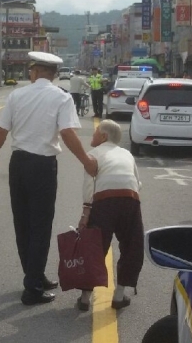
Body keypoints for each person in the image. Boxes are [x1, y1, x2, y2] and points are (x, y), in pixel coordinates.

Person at [0, 51, 98, 306]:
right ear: (54, 74)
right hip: (42, 166)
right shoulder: (61, 97)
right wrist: (86, 161)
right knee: (40, 226)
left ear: (35, 71)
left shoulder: (18, 94)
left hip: (18, 164)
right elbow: (67, 133)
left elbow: (2, 130)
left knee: (23, 223)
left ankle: (33, 275)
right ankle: (32, 287)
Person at [75, 119, 144, 311]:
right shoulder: (127, 154)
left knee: (95, 246)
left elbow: (90, 183)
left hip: (104, 200)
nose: (93, 135)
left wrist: (86, 212)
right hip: (130, 198)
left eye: (95, 132)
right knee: (132, 245)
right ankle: (120, 295)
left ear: (104, 136)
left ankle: (85, 299)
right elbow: (138, 183)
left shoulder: (94, 154)